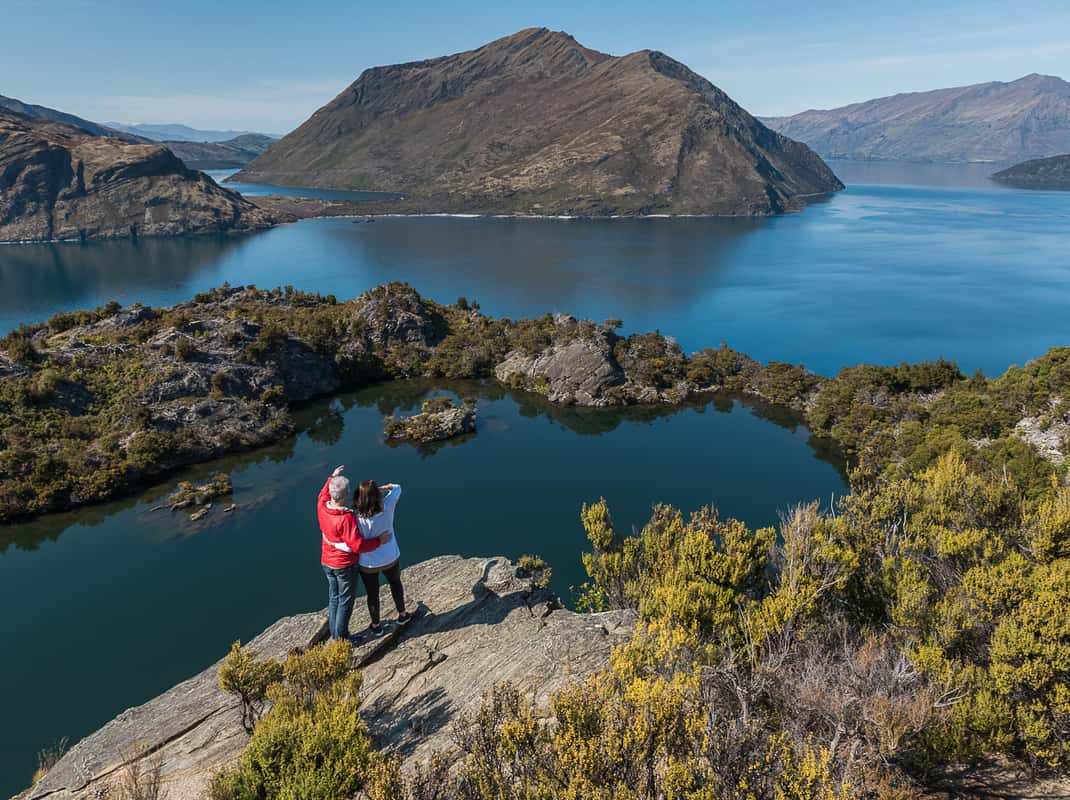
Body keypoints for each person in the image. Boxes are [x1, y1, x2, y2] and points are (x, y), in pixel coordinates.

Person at [317, 465, 392, 641]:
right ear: (344, 496)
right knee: (345, 602)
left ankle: (335, 635)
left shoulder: (322, 507)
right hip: (344, 565)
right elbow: (357, 545)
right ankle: (341, 638)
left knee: (334, 598)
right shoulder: (346, 518)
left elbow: (323, 494)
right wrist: (379, 541)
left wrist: (332, 478)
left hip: (327, 562)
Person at [355, 479, 410, 634]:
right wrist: (383, 488)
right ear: (377, 495)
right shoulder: (388, 506)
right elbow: (398, 487)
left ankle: (376, 626)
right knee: (395, 584)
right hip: (390, 558)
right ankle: (402, 614)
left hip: (368, 564)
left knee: (372, 594)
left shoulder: (356, 517)